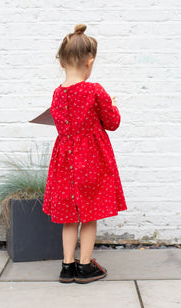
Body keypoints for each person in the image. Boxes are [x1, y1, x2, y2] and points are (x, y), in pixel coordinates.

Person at [42, 23, 127, 284]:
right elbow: (112, 123)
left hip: (64, 161)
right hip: (91, 160)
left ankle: (67, 266)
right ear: (89, 62)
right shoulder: (94, 90)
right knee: (89, 215)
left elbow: (60, 124)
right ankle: (86, 266)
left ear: (61, 62)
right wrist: (112, 105)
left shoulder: (57, 93)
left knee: (69, 216)